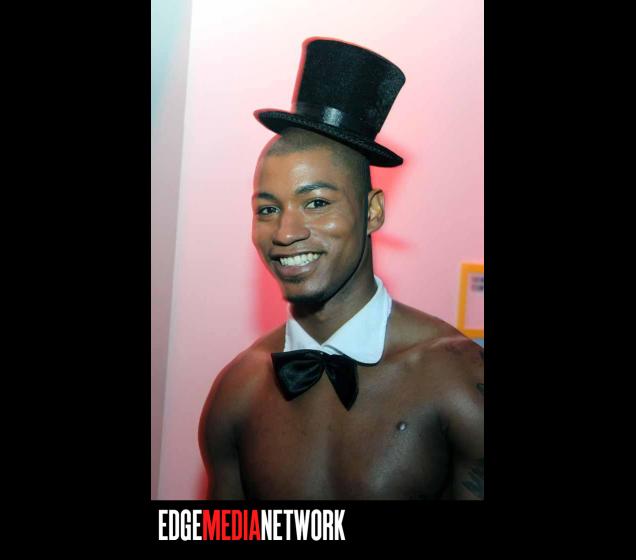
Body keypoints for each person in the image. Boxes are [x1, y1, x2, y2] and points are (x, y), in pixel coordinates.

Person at [198, 38, 484, 500]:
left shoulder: (458, 380)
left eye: (316, 203)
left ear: (372, 212)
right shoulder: (237, 391)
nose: (286, 232)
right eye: (267, 209)